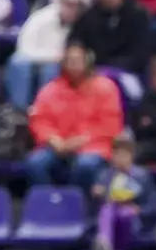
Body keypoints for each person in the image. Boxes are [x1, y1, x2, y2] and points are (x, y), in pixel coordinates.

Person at [25, 44, 122, 188]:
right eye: (70, 61)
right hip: (58, 146)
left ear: (87, 62)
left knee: (85, 164)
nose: (74, 65)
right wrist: (52, 139)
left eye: (77, 60)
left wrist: (81, 140)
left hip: (93, 145)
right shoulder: (50, 90)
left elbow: (111, 126)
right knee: (35, 163)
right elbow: (40, 120)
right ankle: (49, 203)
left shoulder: (105, 88)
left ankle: (75, 205)